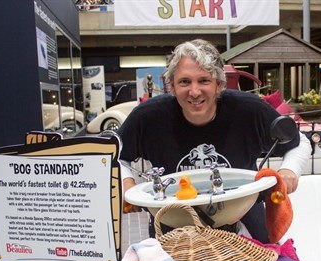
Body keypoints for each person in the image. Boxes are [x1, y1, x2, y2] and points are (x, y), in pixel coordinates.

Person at [117, 39, 311, 243]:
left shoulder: (250, 111)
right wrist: (126, 183)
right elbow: (113, 155)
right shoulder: (148, 117)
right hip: (173, 223)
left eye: (204, 81)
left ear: (219, 85)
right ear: (172, 86)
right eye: (184, 81)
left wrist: (289, 170)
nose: (194, 91)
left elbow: (299, 142)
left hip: (243, 217)